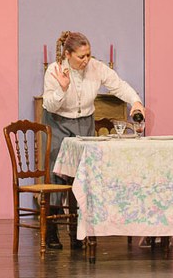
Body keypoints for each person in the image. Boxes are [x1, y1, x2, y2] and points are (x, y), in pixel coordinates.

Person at [43, 30, 145, 249]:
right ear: (68, 54)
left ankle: (78, 232)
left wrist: (135, 101)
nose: (86, 60)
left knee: (82, 175)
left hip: (84, 122)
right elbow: (49, 104)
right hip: (58, 122)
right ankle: (51, 231)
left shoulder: (96, 67)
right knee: (57, 175)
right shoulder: (55, 70)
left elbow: (119, 85)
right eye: (81, 56)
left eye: (88, 54)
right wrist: (62, 88)